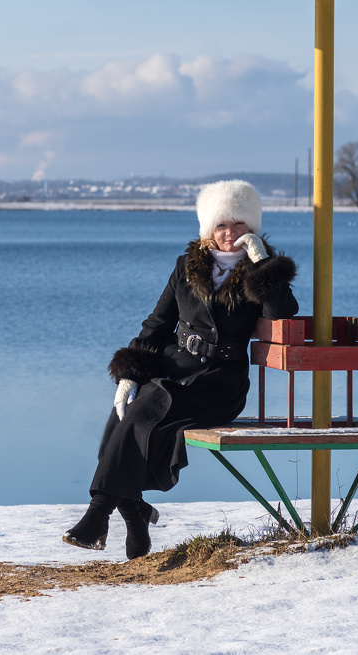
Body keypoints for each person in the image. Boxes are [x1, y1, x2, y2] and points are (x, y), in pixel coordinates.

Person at [63, 180, 299, 559]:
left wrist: (263, 265)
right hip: (174, 371)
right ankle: (135, 514)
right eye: (221, 225)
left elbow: (282, 313)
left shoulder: (260, 270)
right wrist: (130, 373)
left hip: (219, 385)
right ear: (208, 229)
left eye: (238, 224)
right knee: (118, 424)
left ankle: (97, 515)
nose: (229, 233)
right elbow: (158, 323)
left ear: (252, 228)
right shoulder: (187, 267)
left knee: (142, 416)